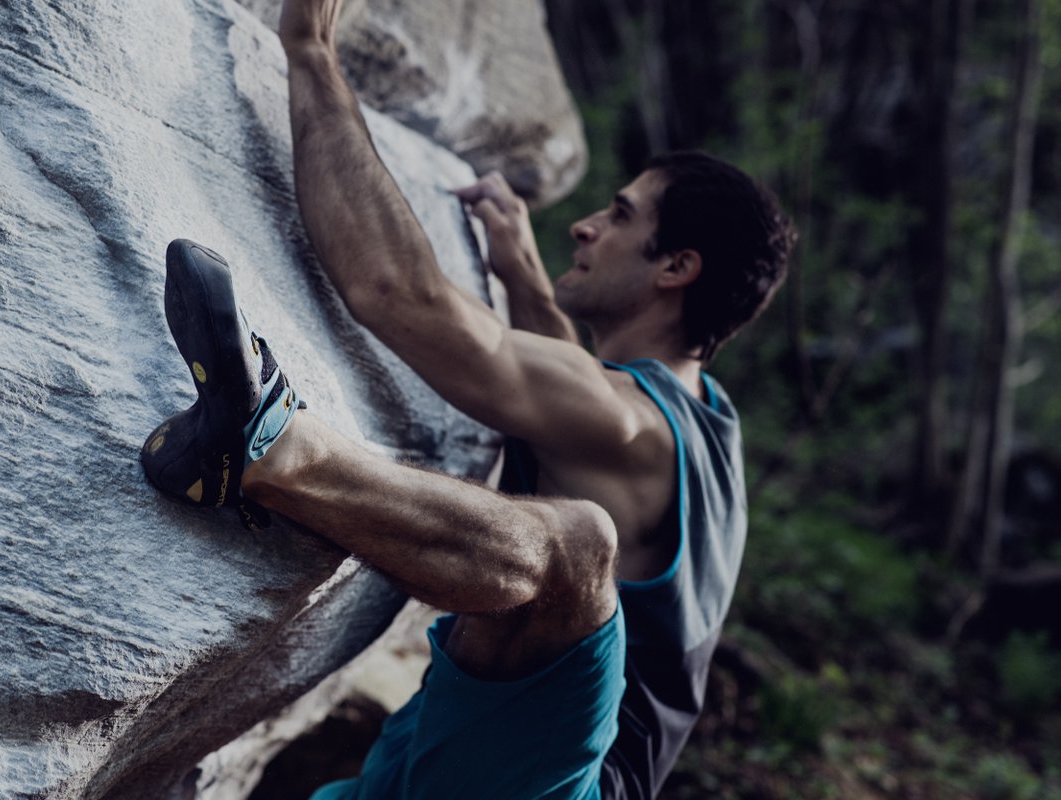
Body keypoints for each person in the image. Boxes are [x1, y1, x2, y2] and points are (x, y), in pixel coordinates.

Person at [141, 0, 796, 796]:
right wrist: (523, 277)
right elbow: (574, 390)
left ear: (676, 269)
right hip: (446, 766)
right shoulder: (707, 425)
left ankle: (270, 449)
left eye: (620, 214)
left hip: (558, 785)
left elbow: (395, 291)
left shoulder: (630, 426)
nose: (587, 226)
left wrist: (310, 49)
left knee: (577, 548)